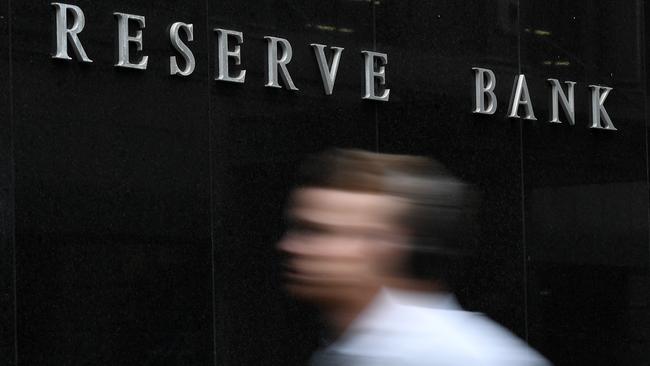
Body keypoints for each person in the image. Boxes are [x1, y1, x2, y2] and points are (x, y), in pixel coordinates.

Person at [278, 149, 551, 366]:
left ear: (382, 244)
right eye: (296, 228)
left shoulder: (467, 357)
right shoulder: (339, 352)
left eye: (316, 231)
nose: (288, 246)